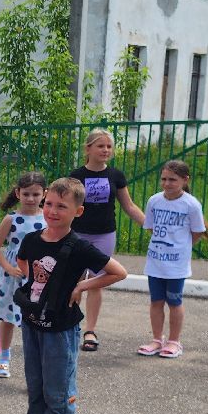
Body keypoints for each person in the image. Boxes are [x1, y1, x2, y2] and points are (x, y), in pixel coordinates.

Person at [10, 178, 129, 414]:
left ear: (78, 211)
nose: (51, 210)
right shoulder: (33, 239)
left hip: (61, 329)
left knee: (58, 387)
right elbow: (24, 263)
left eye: (61, 206)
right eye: (48, 203)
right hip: (33, 323)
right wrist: (37, 287)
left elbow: (118, 272)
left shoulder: (79, 247)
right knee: (35, 383)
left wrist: (82, 286)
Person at [67, 129, 144, 353]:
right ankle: (70, 325)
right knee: (74, 279)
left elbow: (128, 206)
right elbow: (68, 204)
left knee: (97, 280)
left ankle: (90, 331)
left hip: (104, 234)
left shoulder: (116, 176)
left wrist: (150, 225)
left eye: (109, 147)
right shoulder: (77, 175)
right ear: (88, 148)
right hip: (78, 234)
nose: (106, 150)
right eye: (101, 146)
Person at [137, 160, 208, 359]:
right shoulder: (154, 201)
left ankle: (174, 341)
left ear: (185, 180)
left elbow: (196, 233)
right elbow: (150, 227)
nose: (167, 183)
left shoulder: (191, 204)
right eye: (164, 179)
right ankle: (156, 339)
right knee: (156, 301)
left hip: (176, 265)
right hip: (155, 262)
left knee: (174, 301)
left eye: (172, 180)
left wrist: (180, 247)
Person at [0, 172, 48, 380]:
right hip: (13, 276)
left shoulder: (48, 217)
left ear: (44, 194)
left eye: (36, 194)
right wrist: (7, 267)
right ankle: (3, 357)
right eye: (26, 194)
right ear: (18, 193)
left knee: (37, 318)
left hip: (39, 276)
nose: (31, 198)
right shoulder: (11, 219)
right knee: (8, 318)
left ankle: (38, 364)